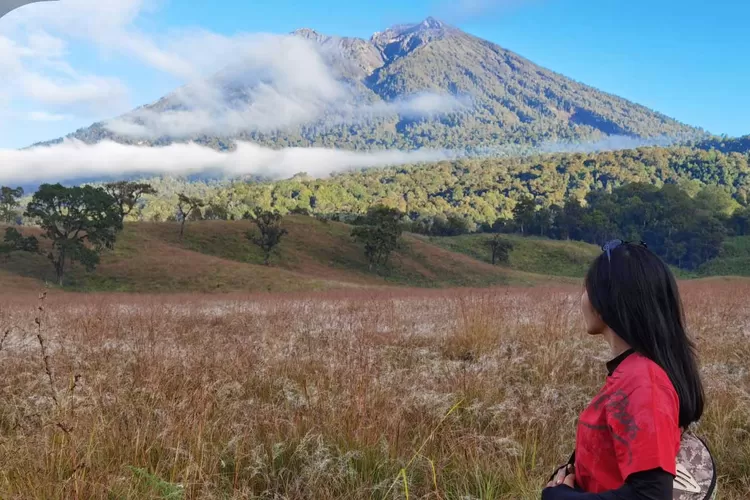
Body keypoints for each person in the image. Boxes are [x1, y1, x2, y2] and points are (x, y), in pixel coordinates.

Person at [542, 240, 705, 500]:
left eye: (586, 288)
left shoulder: (643, 381)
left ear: (605, 299)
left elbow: (651, 495)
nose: (582, 299)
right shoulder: (632, 371)